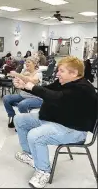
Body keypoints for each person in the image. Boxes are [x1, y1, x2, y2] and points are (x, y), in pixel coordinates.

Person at [12, 56, 97, 188]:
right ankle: (30, 155)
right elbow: (47, 91)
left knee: (35, 135)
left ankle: (44, 171)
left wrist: (32, 87)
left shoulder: (84, 88)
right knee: (20, 119)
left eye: (61, 71)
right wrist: (24, 87)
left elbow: (57, 97)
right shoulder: (63, 82)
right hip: (55, 120)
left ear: (74, 73)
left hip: (74, 130)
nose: (57, 73)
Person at [3, 56, 43, 128]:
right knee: (6, 98)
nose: (26, 63)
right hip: (23, 95)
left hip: (36, 98)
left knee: (22, 104)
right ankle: (12, 117)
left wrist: (18, 74)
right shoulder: (25, 71)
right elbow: (18, 81)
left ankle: (25, 121)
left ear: (34, 64)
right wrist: (16, 81)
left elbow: (32, 81)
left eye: (28, 62)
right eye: (26, 62)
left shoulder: (38, 73)